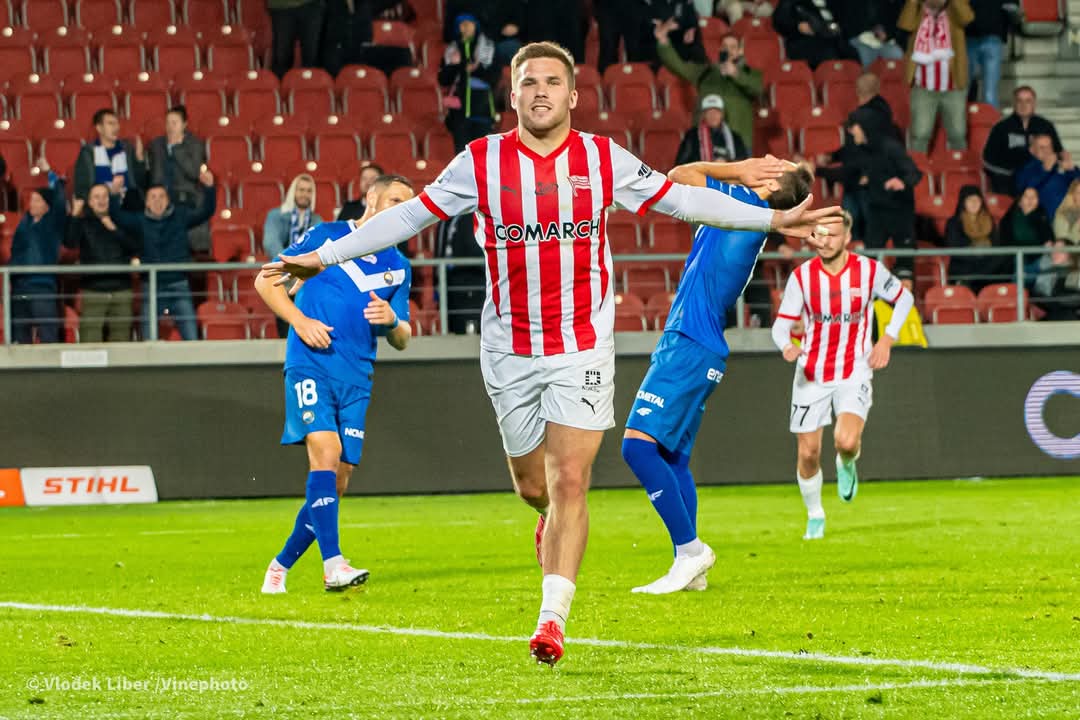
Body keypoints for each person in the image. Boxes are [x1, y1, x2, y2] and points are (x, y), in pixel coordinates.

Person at [262, 41, 844, 667]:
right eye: (529, 81)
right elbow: (406, 220)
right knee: (533, 486)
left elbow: (682, 199)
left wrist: (769, 222)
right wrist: (322, 256)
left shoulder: (602, 157)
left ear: (573, 95)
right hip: (509, 350)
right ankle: (545, 517)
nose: (540, 90)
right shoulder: (480, 161)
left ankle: (552, 618)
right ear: (512, 95)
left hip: (582, 347)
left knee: (571, 480)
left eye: (552, 81)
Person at [623, 158, 815, 594]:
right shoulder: (744, 214)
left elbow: (678, 176)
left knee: (637, 447)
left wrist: (740, 168)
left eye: (773, 164)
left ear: (770, 183)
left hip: (689, 342)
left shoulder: (742, 203)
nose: (765, 161)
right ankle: (689, 565)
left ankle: (690, 551)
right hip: (701, 344)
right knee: (673, 457)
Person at [257, 175, 414, 594]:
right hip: (310, 365)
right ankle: (334, 565)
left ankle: (279, 566)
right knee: (326, 454)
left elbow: (403, 337)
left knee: (337, 481)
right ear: (371, 198)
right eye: (396, 199)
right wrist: (300, 321)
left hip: (357, 377)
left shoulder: (399, 266)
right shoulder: (326, 236)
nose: (403, 209)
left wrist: (392, 321)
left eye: (408, 204)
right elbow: (265, 280)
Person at [772, 210, 915, 539]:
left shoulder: (869, 271)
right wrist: (786, 346)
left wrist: (887, 339)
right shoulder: (802, 278)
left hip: (854, 370)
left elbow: (904, 298)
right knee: (808, 452)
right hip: (811, 372)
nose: (824, 241)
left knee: (846, 442)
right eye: (820, 234)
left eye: (832, 235)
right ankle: (815, 514)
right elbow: (781, 325)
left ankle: (847, 462)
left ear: (847, 238)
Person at [109, 170, 217, 341]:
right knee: (149, 342)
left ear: (168, 200)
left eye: (161, 197)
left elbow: (206, 211)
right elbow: (117, 217)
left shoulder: (181, 216)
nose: (157, 201)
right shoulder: (140, 221)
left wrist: (209, 188)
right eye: (153, 197)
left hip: (179, 285)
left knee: (192, 340)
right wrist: (114, 194)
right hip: (152, 288)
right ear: (146, 202)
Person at [846, 106, 923, 280]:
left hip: (899, 212)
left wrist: (902, 182)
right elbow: (847, 171)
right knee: (869, 263)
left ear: (865, 126)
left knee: (904, 265)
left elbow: (915, 173)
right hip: (877, 211)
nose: (850, 131)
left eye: (854, 126)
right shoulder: (862, 150)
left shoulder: (891, 147)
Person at [655, 29, 762, 149]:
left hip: (739, 143)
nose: (728, 50)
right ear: (719, 49)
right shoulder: (705, 72)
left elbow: (758, 89)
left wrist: (736, 74)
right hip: (705, 142)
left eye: (733, 47)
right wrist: (663, 41)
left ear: (740, 51)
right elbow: (679, 66)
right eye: (724, 46)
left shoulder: (751, 74)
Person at [64, 184, 140, 342]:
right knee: (90, 342)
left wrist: (113, 229)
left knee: (122, 341)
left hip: (121, 289)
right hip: (94, 289)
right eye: (96, 197)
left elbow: (135, 246)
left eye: (105, 196)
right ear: (90, 202)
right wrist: (74, 215)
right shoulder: (83, 223)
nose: (101, 200)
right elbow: (70, 242)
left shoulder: (121, 220)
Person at [899, 0, 974, 153]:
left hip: (953, 86)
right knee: (920, 135)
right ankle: (918, 168)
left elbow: (967, 18)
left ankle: (958, 167)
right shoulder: (917, 11)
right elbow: (905, 24)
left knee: (958, 135)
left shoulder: (954, 11)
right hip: (923, 86)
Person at [11, 159, 65, 344]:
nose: (31, 204)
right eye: (31, 200)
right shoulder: (23, 224)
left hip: (42, 286)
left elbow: (60, 201)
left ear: (46, 206)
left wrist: (51, 174)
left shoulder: (52, 224)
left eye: (36, 200)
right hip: (19, 286)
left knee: (48, 335)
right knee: (19, 337)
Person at [148, 106, 210, 255]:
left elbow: (194, 173)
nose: (170, 127)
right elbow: (152, 174)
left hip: (187, 201)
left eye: (174, 123)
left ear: (184, 124)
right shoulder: (157, 144)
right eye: (168, 123)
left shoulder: (194, 144)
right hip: (162, 202)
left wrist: (177, 148)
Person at [983, 87, 1063, 195]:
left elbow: (1059, 153)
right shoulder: (1001, 128)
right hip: (1008, 183)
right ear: (1014, 103)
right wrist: (1010, 172)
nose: (1023, 105)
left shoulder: (1046, 126)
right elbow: (988, 159)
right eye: (1019, 101)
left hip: (1040, 180)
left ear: (1034, 103)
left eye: (1028, 101)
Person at [440, 14, 499, 153]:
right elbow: (443, 80)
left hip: (482, 109)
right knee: (462, 154)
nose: (466, 27)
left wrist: (475, 69)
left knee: (482, 155)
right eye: (462, 24)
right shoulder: (452, 49)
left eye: (469, 23)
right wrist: (455, 65)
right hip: (459, 113)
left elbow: (494, 76)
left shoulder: (488, 48)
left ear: (476, 26)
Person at [74, 109, 147, 201]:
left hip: (129, 202)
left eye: (117, 123)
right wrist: (109, 192)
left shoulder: (127, 149)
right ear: (99, 128)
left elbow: (140, 182)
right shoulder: (88, 153)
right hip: (101, 203)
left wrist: (140, 159)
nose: (116, 127)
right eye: (111, 123)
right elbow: (81, 189)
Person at [945, 185, 1007, 291]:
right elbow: (955, 248)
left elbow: (996, 244)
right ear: (963, 203)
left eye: (977, 200)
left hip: (987, 264)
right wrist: (978, 251)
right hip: (965, 265)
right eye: (970, 200)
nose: (974, 203)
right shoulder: (954, 223)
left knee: (1005, 257)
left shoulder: (989, 220)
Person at [774, 0, 856, 70]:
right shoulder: (791, 2)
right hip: (804, 42)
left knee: (853, 56)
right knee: (829, 55)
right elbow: (779, 21)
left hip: (835, 39)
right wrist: (797, 26)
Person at [1015, 134, 1080, 219]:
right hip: (1041, 220)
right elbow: (1026, 191)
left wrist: (1072, 170)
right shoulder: (1027, 169)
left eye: (1049, 147)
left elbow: (1077, 187)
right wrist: (1045, 171)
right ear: (1032, 150)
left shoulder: (1059, 166)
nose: (1047, 151)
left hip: (1066, 217)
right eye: (1042, 147)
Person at [675, 94, 750, 166]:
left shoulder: (735, 137)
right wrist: (709, 165)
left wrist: (726, 163)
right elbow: (680, 165)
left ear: (722, 114)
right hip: (701, 174)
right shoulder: (692, 136)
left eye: (716, 112)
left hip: (728, 174)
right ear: (703, 115)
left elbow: (744, 163)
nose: (713, 115)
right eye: (709, 112)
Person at [263, 174, 324, 261]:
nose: (305, 194)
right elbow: (271, 243)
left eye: (309, 191)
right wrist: (287, 262)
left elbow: (319, 246)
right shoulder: (275, 216)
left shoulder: (317, 220)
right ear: (293, 192)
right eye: (301, 190)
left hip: (307, 266)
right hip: (281, 265)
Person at [831, 0, 906, 68]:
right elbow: (844, 20)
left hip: (881, 41)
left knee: (896, 53)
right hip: (857, 38)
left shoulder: (885, 3)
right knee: (865, 56)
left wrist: (886, 33)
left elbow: (891, 20)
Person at [965, 0, 1010, 108]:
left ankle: (991, 119)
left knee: (990, 92)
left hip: (992, 35)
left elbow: (1011, 6)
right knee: (963, 89)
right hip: (969, 36)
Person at [268, 0, 324, 78]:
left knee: (312, 57)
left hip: (311, 5)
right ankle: (281, 84)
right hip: (281, 7)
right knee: (282, 57)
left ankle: (312, 84)